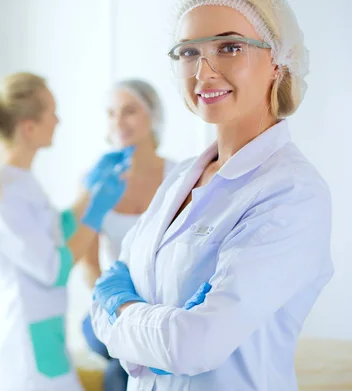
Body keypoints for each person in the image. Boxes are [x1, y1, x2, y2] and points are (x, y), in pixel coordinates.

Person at [89, 1, 334, 390]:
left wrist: (118, 306)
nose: (203, 72)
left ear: (279, 60)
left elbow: (191, 347)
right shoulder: (180, 178)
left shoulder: (292, 193)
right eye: (189, 52)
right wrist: (157, 327)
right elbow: (101, 307)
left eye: (230, 47)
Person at [0, 72, 130, 391]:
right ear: (28, 128)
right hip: (27, 346)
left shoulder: (21, 181)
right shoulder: (3, 195)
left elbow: (55, 229)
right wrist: (97, 211)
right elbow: (54, 268)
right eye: (52, 112)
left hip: (45, 331)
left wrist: (90, 191)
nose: (59, 121)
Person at [79, 79, 176, 391]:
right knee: (123, 356)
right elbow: (89, 265)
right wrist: (119, 308)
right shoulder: (95, 181)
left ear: (153, 115)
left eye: (129, 111)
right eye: (111, 113)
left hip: (164, 303)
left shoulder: (180, 177)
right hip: (111, 304)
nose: (118, 122)